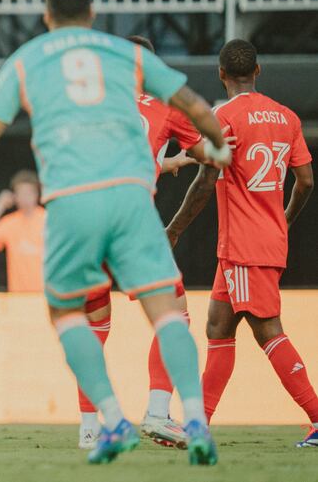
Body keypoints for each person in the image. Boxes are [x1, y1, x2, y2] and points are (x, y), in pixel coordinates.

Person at [0, 0, 230, 465]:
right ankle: (195, 419)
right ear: (93, 13)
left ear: (47, 16)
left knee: (69, 313)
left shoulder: (28, 60)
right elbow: (196, 107)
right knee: (168, 311)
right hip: (132, 198)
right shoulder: (128, 56)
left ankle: (111, 420)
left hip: (72, 201)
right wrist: (219, 148)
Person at [165, 39, 318, 448]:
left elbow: (204, 182)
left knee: (268, 331)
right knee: (218, 325)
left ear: (220, 73)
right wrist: (283, 218)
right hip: (257, 240)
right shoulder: (286, 117)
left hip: (244, 244)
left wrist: (175, 228)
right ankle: (197, 424)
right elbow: (305, 181)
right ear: (258, 71)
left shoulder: (223, 117)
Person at [77, 35, 205, 451]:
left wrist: (162, 164)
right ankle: (156, 412)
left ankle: (89, 430)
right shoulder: (166, 105)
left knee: (94, 326)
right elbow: (209, 149)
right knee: (175, 317)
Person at [0, 170, 45, 293]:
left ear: (37, 194)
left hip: (44, 295)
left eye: (29, 193)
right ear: (15, 196)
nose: (25, 198)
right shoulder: (10, 223)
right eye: (21, 193)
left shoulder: (48, 220)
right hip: (17, 297)